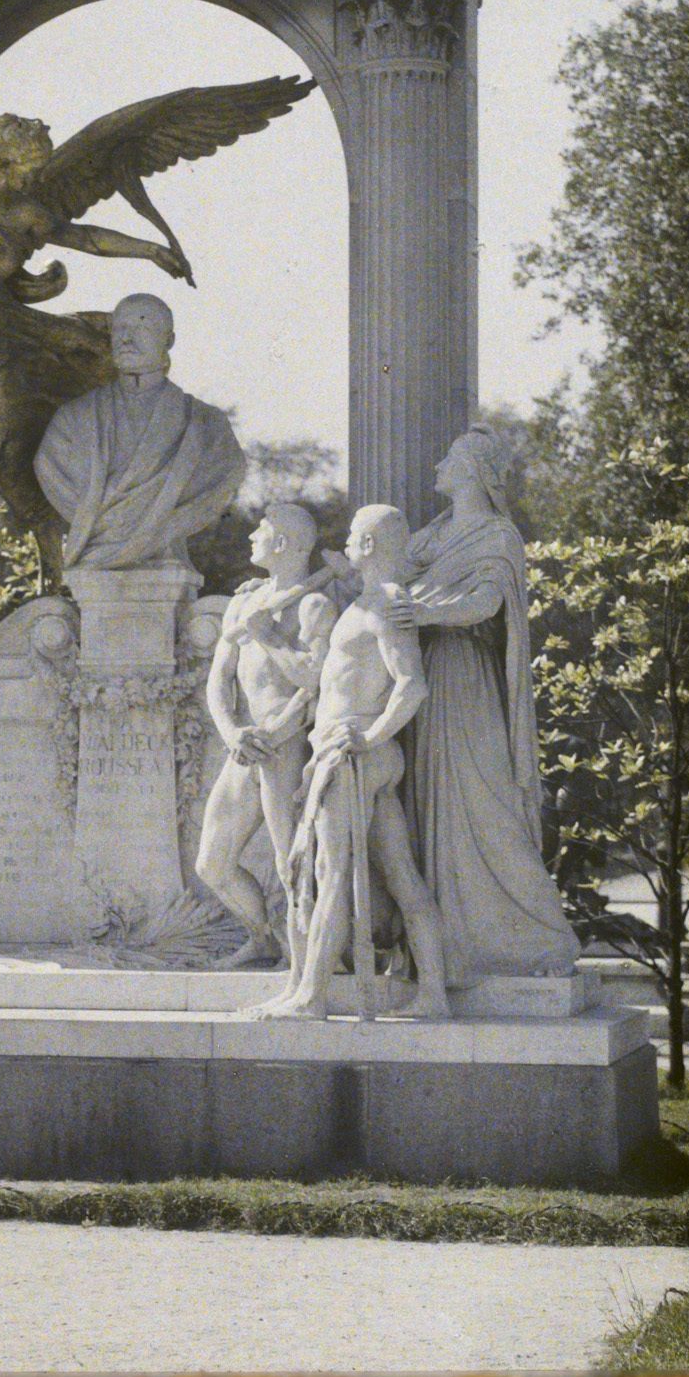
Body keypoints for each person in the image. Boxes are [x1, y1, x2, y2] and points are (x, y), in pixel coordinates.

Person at [388, 425, 580, 985]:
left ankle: (540, 936)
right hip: (429, 679)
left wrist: (427, 613)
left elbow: (486, 603)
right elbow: (388, 572)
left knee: (484, 802)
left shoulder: (498, 535)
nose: (437, 468)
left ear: (472, 470)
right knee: (433, 805)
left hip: (467, 680)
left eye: (447, 459)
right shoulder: (435, 533)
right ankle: (454, 943)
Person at [249, 504, 449, 1022]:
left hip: (355, 755)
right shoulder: (368, 601)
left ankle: (312, 997)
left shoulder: (384, 604)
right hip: (359, 756)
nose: (345, 544)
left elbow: (411, 686)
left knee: (329, 873)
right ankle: (433, 995)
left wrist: (369, 735)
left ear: (366, 546)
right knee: (401, 874)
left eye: (354, 536)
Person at [195, 505, 336, 967]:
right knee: (212, 863)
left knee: (290, 860)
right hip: (246, 747)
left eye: (262, 528)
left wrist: (273, 637)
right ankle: (263, 937)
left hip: (286, 747)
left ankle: (310, 962)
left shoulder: (315, 604)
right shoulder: (244, 601)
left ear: (282, 543)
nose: (252, 534)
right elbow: (219, 680)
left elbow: (315, 684)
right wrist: (233, 732)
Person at [33, 294, 245, 574]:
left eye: (142, 327)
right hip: (94, 563)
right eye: (120, 328)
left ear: (169, 341)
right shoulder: (72, 420)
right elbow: (49, 471)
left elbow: (223, 478)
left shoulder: (208, 427)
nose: (126, 338)